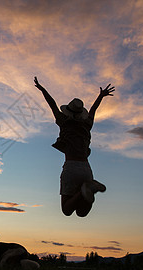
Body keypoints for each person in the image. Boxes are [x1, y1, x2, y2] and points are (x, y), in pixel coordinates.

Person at [34, 77, 114, 217]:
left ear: (68, 111)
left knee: (67, 210)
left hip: (71, 166)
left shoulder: (63, 122)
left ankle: (86, 189)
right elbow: (94, 109)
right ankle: (87, 188)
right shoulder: (87, 125)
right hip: (86, 168)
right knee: (82, 213)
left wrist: (42, 89)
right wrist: (101, 95)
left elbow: (51, 104)